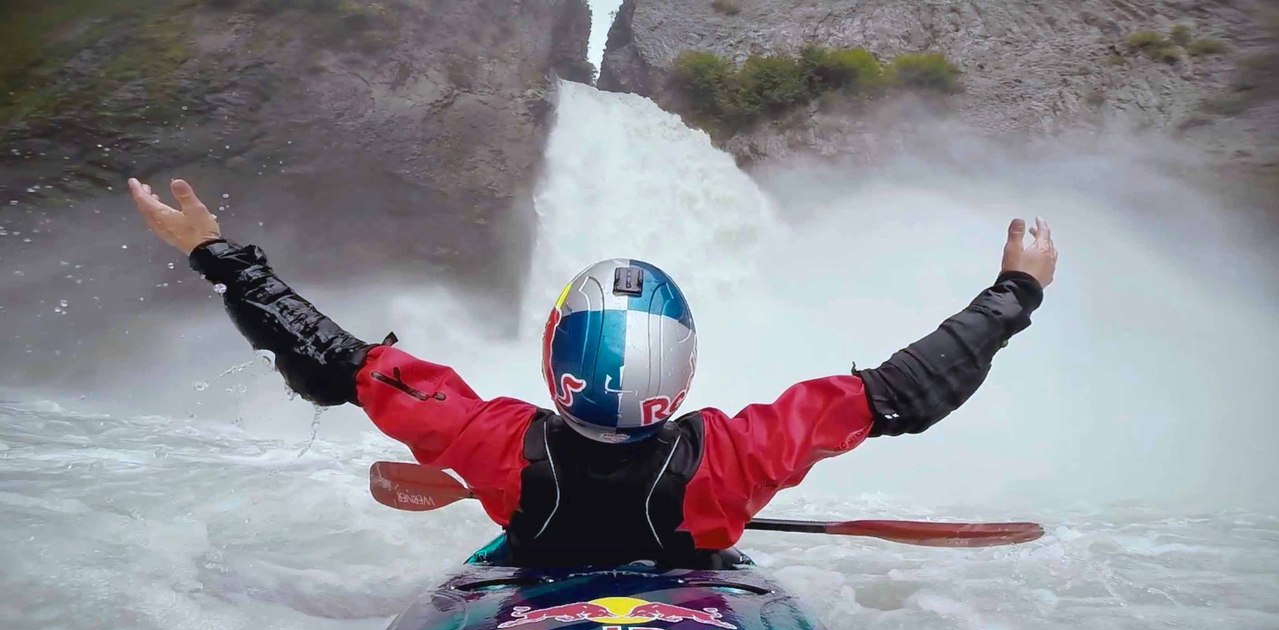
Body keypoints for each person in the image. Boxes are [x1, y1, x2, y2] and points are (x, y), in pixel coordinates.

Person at [128, 177, 1057, 568]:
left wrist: (218, 255)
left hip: (532, 579)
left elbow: (332, 361)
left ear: (554, 357)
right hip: (697, 574)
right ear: (681, 368)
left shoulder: (486, 441)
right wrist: (1014, 292)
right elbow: (902, 392)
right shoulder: (740, 457)